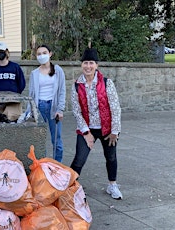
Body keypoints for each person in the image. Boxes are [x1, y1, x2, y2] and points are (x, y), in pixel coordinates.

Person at [70, 47, 122, 200]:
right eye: (85, 63)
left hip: (107, 129)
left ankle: (112, 185)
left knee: (111, 157)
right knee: (80, 157)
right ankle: (70, 188)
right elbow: (76, 111)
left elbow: (115, 107)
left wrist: (115, 131)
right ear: (82, 65)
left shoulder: (107, 83)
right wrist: (86, 133)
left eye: (91, 63)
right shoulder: (76, 85)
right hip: (87, 128)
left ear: (96, 65)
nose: (88, 66)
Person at [26, 45, 66, 162]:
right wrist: (30, 111)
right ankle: (40, 165)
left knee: (57, 140)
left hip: (53, 107)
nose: (42, 55)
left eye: (44, 52)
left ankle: (57, 165)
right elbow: (31, 94)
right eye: (39, 54)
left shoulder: (58, 71)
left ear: (50, 54)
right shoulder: (34, 73)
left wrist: (60, 109)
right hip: (40, 107)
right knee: (38, 140)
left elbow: (62, 91)